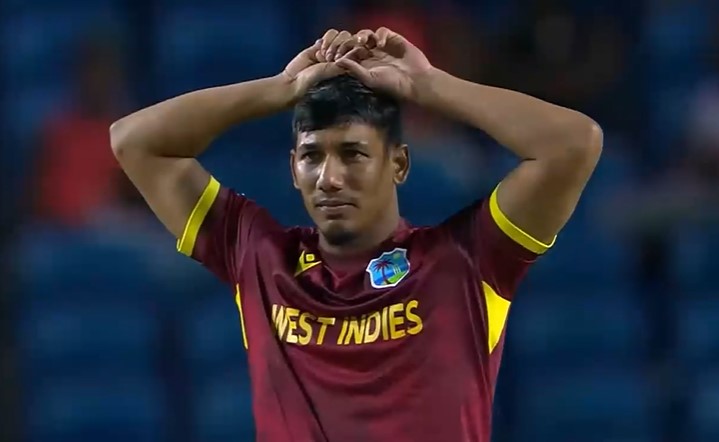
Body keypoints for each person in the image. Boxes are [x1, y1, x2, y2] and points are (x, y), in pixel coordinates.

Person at [111, 27, 602, 442]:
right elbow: (134, 141)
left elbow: (574, 144)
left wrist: (429, 85)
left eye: (353, 154)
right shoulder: (258, 258)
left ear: (399, 164)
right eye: (312, 156)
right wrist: (279, 89)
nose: (329, 178)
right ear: (293, 168)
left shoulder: (468, 260)